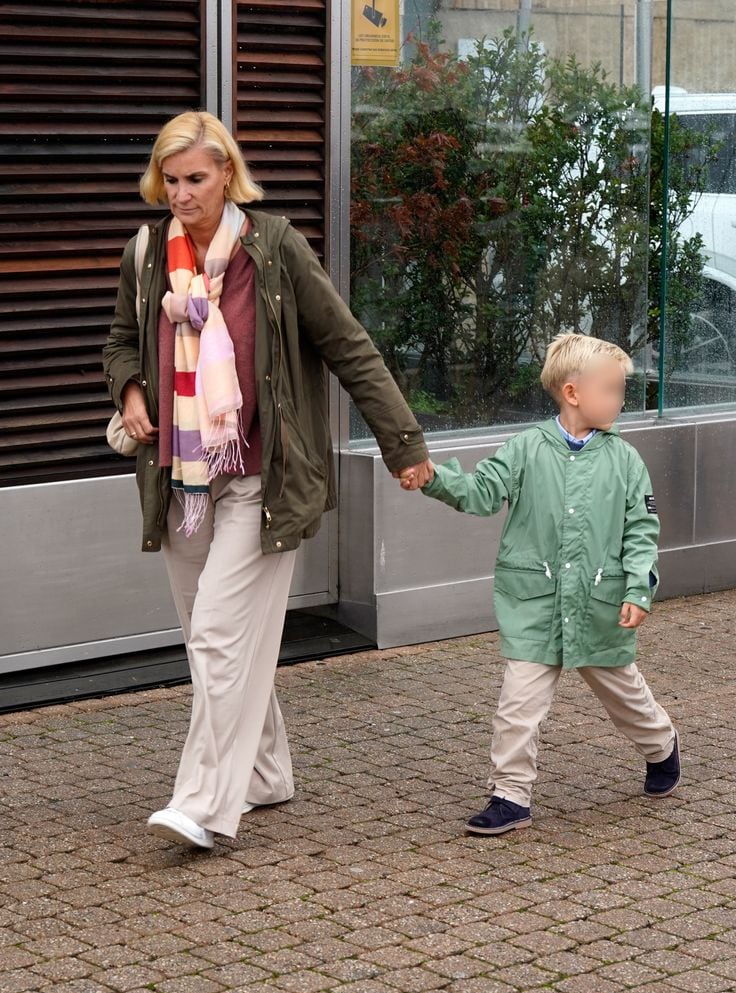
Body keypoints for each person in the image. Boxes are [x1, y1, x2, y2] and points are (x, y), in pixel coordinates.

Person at [103, 110, 433, 851]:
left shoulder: (274, 250)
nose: (180, 193)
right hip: (182, 478)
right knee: (213, 641)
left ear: (227, 173)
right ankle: (267, 773)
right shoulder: (146, 252)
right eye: (170, 180)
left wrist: (401, 441)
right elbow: (123, 339)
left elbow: (348, 346)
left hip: (265, 476)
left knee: (220, 636)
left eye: (195, 178)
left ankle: (204, 805)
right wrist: (129, 390)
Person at [401, 333, 680, 835]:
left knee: (626, 697)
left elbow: (642, 532)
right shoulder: (526, 448)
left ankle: (661, 745)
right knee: (518, 706)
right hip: (534, 605)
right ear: (573, 393)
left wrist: (639, 588)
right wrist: (434, 478)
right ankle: (510, 795)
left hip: (600, 605)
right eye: (612, 390)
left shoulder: (625, 461)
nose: (619, 400)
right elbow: (481, 492)